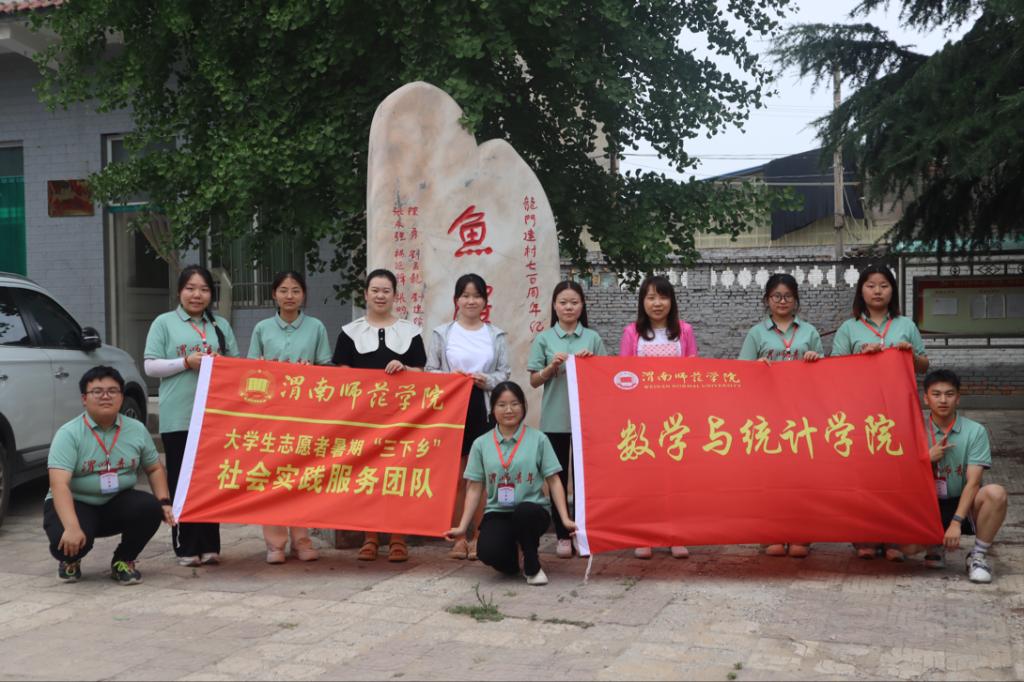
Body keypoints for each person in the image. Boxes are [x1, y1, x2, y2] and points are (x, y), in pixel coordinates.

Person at [831, 264, 928, 561]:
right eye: (871, 285)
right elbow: (834, 368)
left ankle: (894, 536)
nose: (877, 291)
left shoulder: (905, 325)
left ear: (892, 291)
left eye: (884, 285)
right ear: (861, 290)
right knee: (864, 473)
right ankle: (865, 536)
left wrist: (909, 354)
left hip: (899, 411)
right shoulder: (849, 328)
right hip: (861, 411)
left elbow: (924, 365)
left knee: (898, 473)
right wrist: (860, 358)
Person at [44, 366, 175, 584]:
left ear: (122, 397)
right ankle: (70, 560)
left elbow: (154, 468)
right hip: (76, 502)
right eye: (97, 391)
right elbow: (59, 485)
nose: (106, 396)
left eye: (113, 391)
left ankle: (123, 560)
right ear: (84, 399)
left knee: (151, 508)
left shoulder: (136, 429)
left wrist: (164, 501)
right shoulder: (69, 434)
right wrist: (72, 527)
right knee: (67, 541)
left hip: (116, 500)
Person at [144, 265, 239, 567]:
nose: (197, 295)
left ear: (211, 294)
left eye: (204, 289)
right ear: (179, 291)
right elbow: (150, 366)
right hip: (180, 416)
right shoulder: (164, 323)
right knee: (182, 480)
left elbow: (236, 367)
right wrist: (185, 362)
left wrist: (221, 363)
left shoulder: (220, 325)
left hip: (214, 417)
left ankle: (210, 545)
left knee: (210, 481)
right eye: (191, 288)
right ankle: (185, 545)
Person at [332, 268, 426, 562]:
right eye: (375, 290)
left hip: (401, 419)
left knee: (398, 475)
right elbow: (341, 374)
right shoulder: (350, 332)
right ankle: (369, 537)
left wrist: (405, 369)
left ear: (395, 295)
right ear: (365, 294)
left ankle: (398, 538)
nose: (380, 296)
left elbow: (422, 372)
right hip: (363, 419)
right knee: (366, 476)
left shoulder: (411, 332)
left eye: (386, 291)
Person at [446, 382, 575, 585]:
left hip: (533, 511)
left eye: (515, 404)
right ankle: (515, 559)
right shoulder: (481, 444)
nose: (509, 410)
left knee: (525, 512)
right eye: (502, 404)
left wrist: (565, 519)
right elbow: (474, 488)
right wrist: (462, 526)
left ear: (523, 406)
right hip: (498, 512)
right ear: (492, 409)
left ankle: (532, 565)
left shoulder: (538, 439)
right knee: (488, 552)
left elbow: (554, 480)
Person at [248, 270, 332, 564]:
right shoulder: (261, 328)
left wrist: (312, 371)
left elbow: (326, 369)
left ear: (303, 295)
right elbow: (250, 371)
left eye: (296, 290)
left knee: (302, 477)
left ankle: (302, 540)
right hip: (270, 416)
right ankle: (275, 543)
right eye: (283, 290)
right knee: (271, 475)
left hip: (304, 415)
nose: (289, 296)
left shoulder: (316, 327)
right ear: (274, 294)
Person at [426, 274, 511, 561]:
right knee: (458, 476)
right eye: (465, 295)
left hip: (483, 406)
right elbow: (430, 370)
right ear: (456, 300)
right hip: (453, 409)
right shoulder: (442, 333)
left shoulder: (495, 335)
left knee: (482, 475)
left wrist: (486, 380)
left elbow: (504, 372)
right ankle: (458, 537)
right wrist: (450, 378)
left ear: (485, 302)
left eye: (476, 296)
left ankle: (479, 536)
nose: (471, 301)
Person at [738, 273, 823, 558]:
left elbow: (826, 373)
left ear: (796, 300)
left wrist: (814, 359)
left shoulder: (809, 332)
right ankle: (771, 532)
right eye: (776, 296)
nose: (782, 301)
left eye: (788, 296)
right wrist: (756, 366)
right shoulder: (756, 333)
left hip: (802, 416)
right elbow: (741, 372)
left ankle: (802, 533)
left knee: (803, 476)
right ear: (767, 300)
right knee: (771, 475)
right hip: (768, 417)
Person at [901, 370, 1008, 583]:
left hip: (963, 503)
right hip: (927, 504)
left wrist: (956, 522)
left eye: (949, 394)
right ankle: (934, 545)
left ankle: (977, 556)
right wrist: (926, 459)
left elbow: (974, 482)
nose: (943, 400)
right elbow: (902, 476)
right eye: (936, 394)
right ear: (926, 398)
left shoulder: (975, 431)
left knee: (996, 494)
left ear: (958, 398)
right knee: (906, 548)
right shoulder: (913, 430)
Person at [619, 274, 698, 560]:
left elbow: (693, 372)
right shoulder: (632, 333)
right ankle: (645, 536)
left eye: (663, 297)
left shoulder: (685, 331)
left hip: (676, 418)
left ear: (671, 301)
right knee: (645, 477)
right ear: (642, 302)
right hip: (642, 418)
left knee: (676, 477)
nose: (657, 303)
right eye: (651, 297)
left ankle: (675, 534)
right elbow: (622, 374)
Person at [527, 281, 606, 559]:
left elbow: (605, 377)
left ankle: (584, 534)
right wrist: (552, 367)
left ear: (582, 306)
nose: (569, 307)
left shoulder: (592, 338)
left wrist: (591, 363)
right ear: (554, 305)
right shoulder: (545, 339)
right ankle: (562, 534)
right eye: (563, 302)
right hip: (555, 419)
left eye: (574, 302)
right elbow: (534, 380)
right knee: (557, 477)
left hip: (586, 419)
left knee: (586, 479)